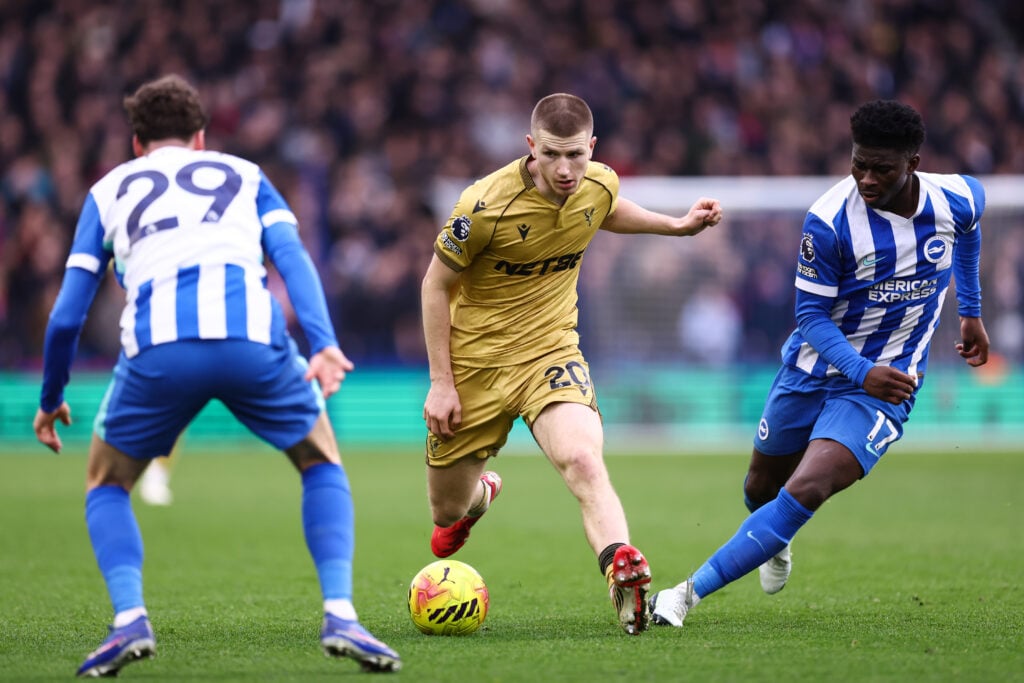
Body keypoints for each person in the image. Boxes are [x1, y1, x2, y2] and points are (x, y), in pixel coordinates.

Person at [32, 75, 400, 676]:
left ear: (135, 143)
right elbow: (293, 260)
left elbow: (66, 315)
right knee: (320, 461)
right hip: (252, 341)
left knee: (106, 481)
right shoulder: (246, 175)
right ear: (201, 137)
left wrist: (51, 397)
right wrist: (325, 345)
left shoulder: (107, 191)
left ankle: (129, 620)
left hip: (158, 352)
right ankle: (341, 613)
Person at [649, 99, 990, 627]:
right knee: (760, 490)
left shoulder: (959, 196)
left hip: (884, 387)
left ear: (913, 163)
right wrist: (859, 367)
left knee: (807, 487)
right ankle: (773, 538)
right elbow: (809, 316)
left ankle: (685, 594)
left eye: (882, 168)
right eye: (859, 164)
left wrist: (970, 311)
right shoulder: (829, 222)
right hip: (813, 369)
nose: (867, 178)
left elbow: (969, 232)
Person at [420, 93, 723, 636]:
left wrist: (676, 227)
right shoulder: (482, 205)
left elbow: (606, 210)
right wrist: (442, 382)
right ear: (531, 147)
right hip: (475, 366)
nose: (566, 170)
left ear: (593, 148)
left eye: (577, 156)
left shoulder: (600, 182)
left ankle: (621, 571)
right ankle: (480, 497)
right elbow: (435, 285)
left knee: (583, 460)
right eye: (554, 155)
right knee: (446, 513)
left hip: (550, 352)